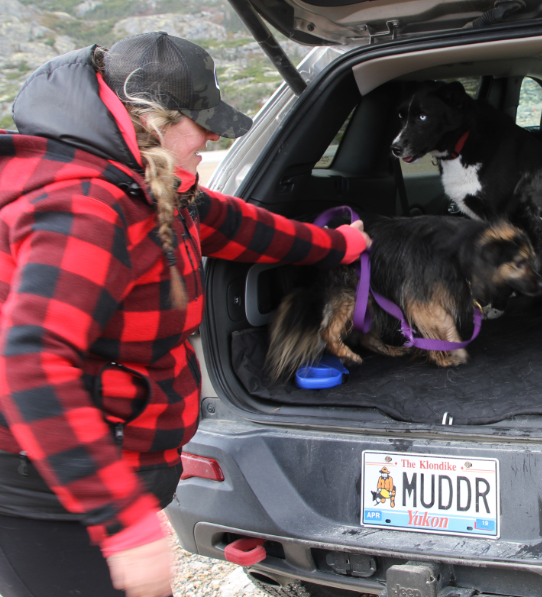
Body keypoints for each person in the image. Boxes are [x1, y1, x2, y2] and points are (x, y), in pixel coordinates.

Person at [0, 32, 371, 597]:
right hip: (44, 488)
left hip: (107, 468)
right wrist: (121, 523)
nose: (215, 134)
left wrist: (337, 246)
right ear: (150, 122)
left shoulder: (146, 184)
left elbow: (237, 223)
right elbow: (30, 365)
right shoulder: (86, 207)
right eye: (201, 122)